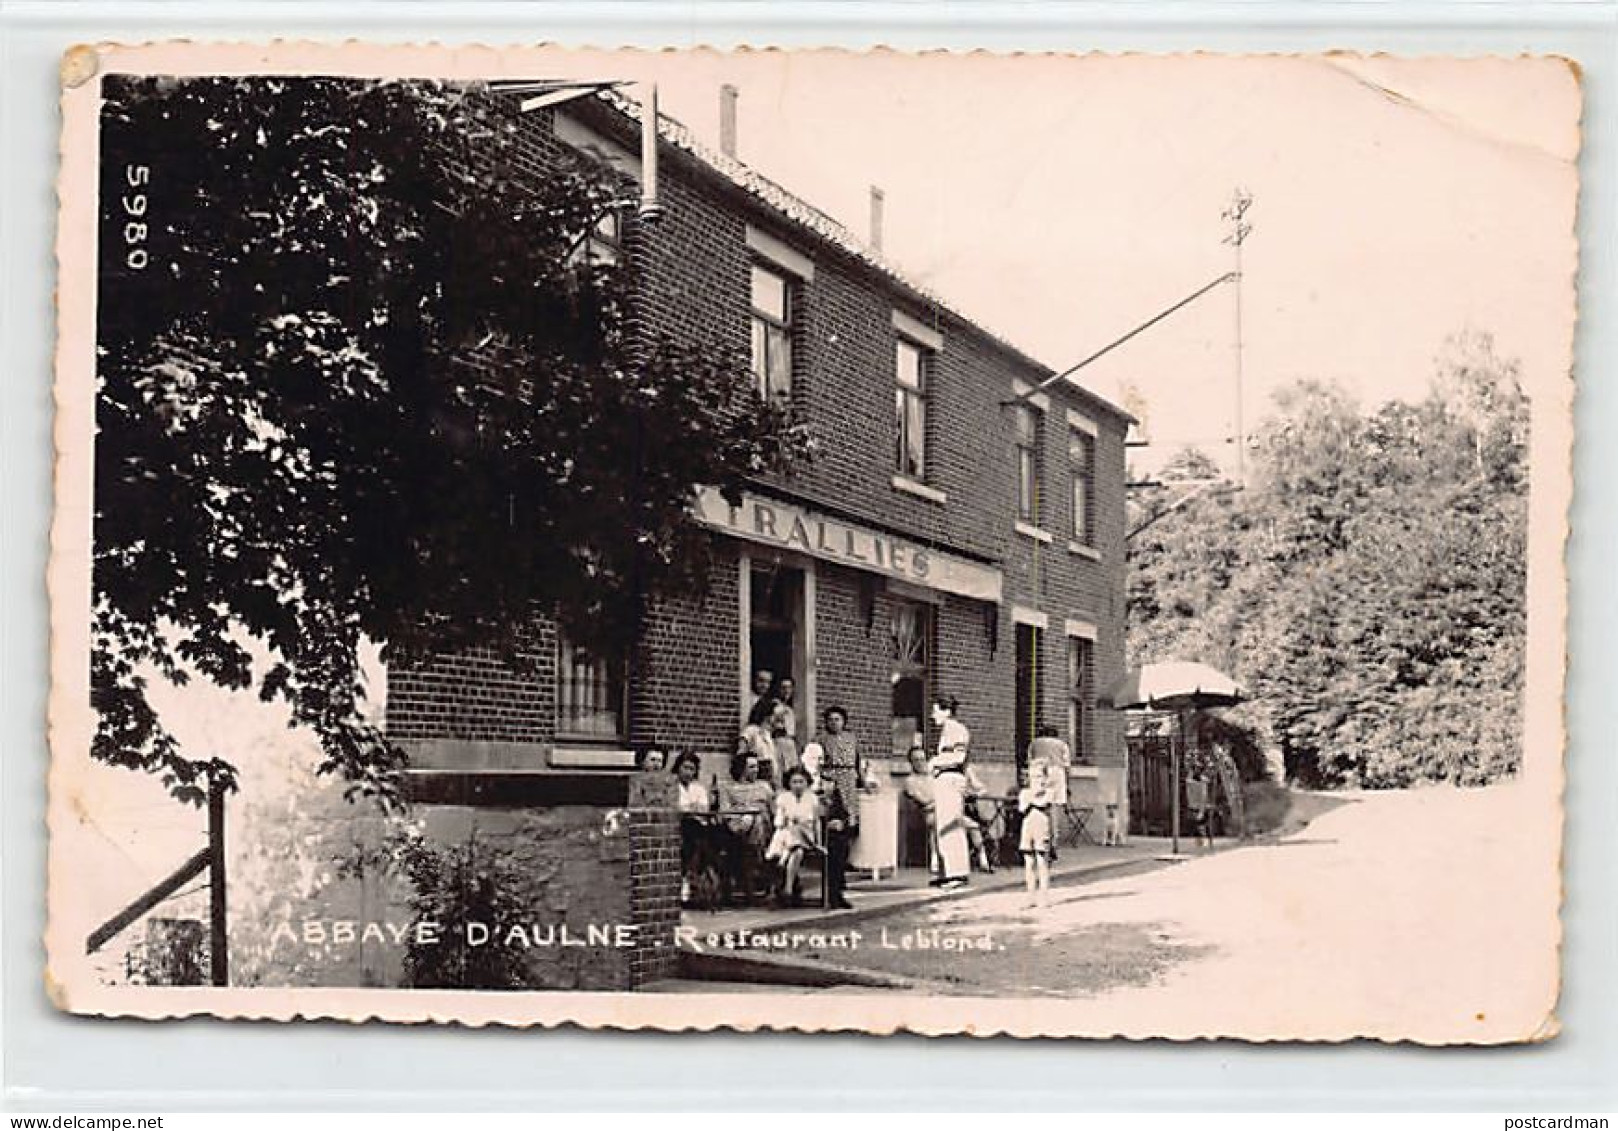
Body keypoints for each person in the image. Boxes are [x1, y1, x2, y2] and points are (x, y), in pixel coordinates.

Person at [719, 751, 776, 903]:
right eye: (751, 767)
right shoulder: (727, 787)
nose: (756, 770)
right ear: (741, 768)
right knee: (749, 819)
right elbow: (725, 811)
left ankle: (753, 855)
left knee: (755, 819)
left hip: (763, 826)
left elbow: (774, 810)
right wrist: (744, 814)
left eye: (756, 766)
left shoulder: (764, 786)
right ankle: (755, 859)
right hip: (736, 826)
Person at [929, 695, 972, 891]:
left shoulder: (956, 730)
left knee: (951, 825)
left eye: (936, 710)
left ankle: (958, 872)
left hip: (951, 779)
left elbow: (958, 756)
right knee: (942, 827)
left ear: (947, 711)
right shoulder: (947, 730)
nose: (932, 715)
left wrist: (936, 762)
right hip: (943, 779)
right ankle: (947, 871)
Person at [766, 765, 821, 907]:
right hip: (787, 836)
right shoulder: (783, 798)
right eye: (794, 782)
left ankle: (782, 862)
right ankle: (788, 889)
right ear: (789, 784)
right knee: (797, 852)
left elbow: (816, 822)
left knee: (795, 832)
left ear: (807, 782)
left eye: (801, 781)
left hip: (806, 835)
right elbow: (778, 823)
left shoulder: (812, 799)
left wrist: (819, 842)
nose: (797, 785)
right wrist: (786, 820)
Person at [1026, 724, 1072, 861]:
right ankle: (1052, 843)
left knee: (1038, 807)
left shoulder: (1034, 743)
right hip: (1057, 773)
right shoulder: (1062, 744)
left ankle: (1037, 840)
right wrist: (1068, 784)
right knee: (1054, 810)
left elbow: (1029, 760)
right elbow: (1067, 765)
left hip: (1038, 771)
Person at [672, 751, 710, 906]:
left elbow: (704, 808)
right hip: (679, 826)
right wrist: (691, 808)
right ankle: (689, 879)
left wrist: (691, 809)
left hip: (698, 827)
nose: (688, 772)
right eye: (685, 768)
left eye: (691, 769)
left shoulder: (698, 789)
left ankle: (692, 879)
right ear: (678, 768)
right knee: (692, 834)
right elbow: (677, 809)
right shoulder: (672, 786)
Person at [1018, 759, 1056, 905]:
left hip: (1042, 828)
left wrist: (1032, 799)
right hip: (1028, 828)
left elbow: (1042, 803)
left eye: (1040, 777)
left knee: (1042, 861)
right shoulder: (1024, 793)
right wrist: (1031, 797)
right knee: (1029, 862)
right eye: (1033, 777)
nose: (1037, 781)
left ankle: (1044, 895)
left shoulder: (1049, 792)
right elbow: (1022, 807)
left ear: (1046, 778)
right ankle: (1030, 895)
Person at [903, 744, 940, 881]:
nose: (920, 763)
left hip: (938, 810)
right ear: (911, 763)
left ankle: (983, 858)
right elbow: (922, 801)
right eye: (916, 760)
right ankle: (935, 858)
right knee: (936, 821)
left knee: (969, 823)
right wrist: (936, 804)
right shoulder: (910, 781)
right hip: (922, 815)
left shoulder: (933, 778)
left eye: (922, 759)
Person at [769, 676, 800, 773]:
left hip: (790, 746)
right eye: (783, 688)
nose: (787, 691)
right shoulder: (773, 706)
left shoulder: (790, 710)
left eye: (789, 687)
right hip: (778, 743)